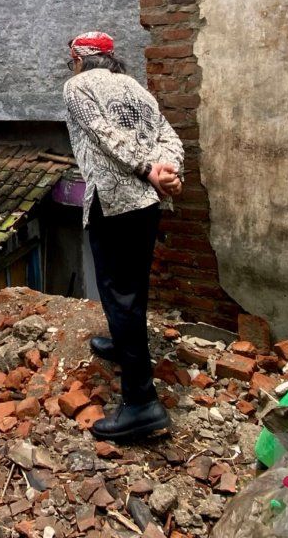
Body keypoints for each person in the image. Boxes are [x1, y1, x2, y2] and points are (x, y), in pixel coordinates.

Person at [63, 31, 184, 441]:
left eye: (71, 61)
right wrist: (168, 171)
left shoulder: (77, 86)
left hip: (113, 203)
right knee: (132, 287)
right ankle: (122, 343)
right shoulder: (135, 87)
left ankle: (141, 403)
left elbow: (103, 135)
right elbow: (169, 135)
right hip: (148, 205)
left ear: (79, 59)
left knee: (118, 293)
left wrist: (148, 170)